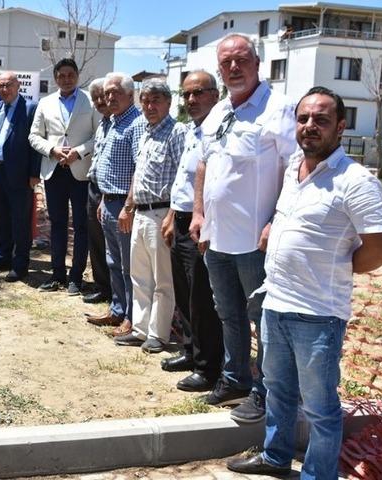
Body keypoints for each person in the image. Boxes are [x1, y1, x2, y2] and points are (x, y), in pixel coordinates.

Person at [228, 87, 382, 478]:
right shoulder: (293, 169)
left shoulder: (355, 180)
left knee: (320, 408)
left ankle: (318, 475)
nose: (309, 126)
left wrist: (336, 266)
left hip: (318, 315)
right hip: (276, 304)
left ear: (340, 126)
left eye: (321, 119)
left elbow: (381, 249)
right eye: (303, 119)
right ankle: (275, 456)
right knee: (279, 392)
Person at [189, 33, 298, 423]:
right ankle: (234, 377)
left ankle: (266, 391)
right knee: (228, 313)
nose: (233, 68)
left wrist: (276, 221)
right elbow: (204, 164)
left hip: (256, 242)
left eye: (241, 60)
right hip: (216, 238)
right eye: (226, 63)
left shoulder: (279, 108)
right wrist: (199, 213)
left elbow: (295, 171)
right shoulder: (219, 111)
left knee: (263, 319)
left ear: (257, 63)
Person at [159, 71, 223, 390]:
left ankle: (208, 366)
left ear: (216, 94)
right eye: (186, 95)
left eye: (198, 93)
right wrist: (171, 215)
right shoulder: (191, 132)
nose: (191, 100)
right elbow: (183, 181)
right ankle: (190, 350)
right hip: (182, 220)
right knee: (184, 293)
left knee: (202, 298)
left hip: (203, 225)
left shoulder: (219, 132)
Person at [113, 79, 186, 354]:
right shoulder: (144, 132)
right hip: (141, 213)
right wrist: (128, 206)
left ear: (168, 102)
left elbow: (183, 176)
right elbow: (138, 172)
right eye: (145, 100)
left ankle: (158, 333)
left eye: (156, 100)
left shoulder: (177, 132)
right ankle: (140, 329)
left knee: (162, 279)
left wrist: (172, 215)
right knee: (139, 276)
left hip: (162, 212)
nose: (150, 105)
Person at [29, 58, 100, 295]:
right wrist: (52, 150)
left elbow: (98, 135)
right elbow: (34, 136)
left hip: (80, 171)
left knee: (81, 226)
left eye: (71, 75)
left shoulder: (90, 100)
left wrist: (78, 152)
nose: (66, 79)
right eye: (62, 75)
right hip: (54, 169)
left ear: (77, 76)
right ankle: (57, 274)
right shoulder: (45, 103)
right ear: (56, 77)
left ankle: (76, 277)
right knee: (57, 223)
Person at [85, 73, 146, 337]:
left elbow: (138, 168)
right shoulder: (110, 123)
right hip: (108, 200)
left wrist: (128, 206)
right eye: (107, 93)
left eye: (115, 92)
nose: (109, 97)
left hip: (124, 205)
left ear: (130, 95)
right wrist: (103, 200)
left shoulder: (135, 124)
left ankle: (131, 318)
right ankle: (117, 309)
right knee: (113, 261)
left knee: (128, 265)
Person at [0, 72, 41, 282]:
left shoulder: (31, 108)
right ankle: (2, 257)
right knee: (0, 217)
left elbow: (36, 143)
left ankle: (20, 264)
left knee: (20, 220)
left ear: (18, 86)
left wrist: (34, 173)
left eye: (8, 85)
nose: (4, 90)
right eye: (1, 86)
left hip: (20, 174)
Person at [83, 77, 112, 305]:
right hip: (93, 187)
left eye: (103, 96)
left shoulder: (127, 122)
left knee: (113, 247)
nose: (101, 101)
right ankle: (102, 287)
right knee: (96, 241)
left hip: (111, 193)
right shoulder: (103, 124)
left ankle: (115, 292)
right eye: (96, 99)